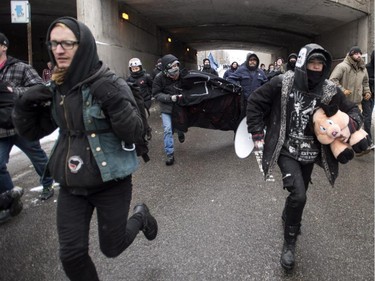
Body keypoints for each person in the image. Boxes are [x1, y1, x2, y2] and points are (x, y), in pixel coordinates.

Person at [12, 17, 158, 281]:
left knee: (111, 247)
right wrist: (23, 106)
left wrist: (113, 101)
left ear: (84, 46)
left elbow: (136, 132)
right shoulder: (57, 87)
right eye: (54, 43)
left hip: (110, 182)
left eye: (67, 43)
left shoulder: (110, 83)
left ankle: (141, 216)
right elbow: (33, 133)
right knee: (71, 255)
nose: (59, 49)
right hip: (71, 183)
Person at [246, 43, 365, 271]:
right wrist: (256, 130)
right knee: (299, 195)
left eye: (320, 64)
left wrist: (348, 126)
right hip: (286, 149)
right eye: (312, 63)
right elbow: (255, 102)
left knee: (299, 194)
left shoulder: (330, 90)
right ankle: (289, 242)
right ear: (302, 63)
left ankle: (287, 215)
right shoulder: (282, 83)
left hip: (311, 152)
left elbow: (353, 111)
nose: (316, 68)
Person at [0, 32, 54, 204]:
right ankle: (10, 194)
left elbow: (39, 88)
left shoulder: (20, 67)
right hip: (1, 128)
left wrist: (13, 91)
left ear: (4, 47)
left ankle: (47, 184)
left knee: (38, 158)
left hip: (22, 125)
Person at [152, 54, 186, 165]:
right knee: (167, 130)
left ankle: (180, 131)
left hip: (179, 106)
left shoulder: (182, 75)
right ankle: (170, 153)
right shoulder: (159, 78)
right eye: (173, 66)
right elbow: (156, 94)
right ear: (167, 67)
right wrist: (169, 98)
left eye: (177, 65)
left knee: (180, 124)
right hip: (166, 107)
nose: (176, 68)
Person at [329, 46, 371, 111]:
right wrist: (342, 90)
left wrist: (367, 92)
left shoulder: (363, 69)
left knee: (357, 120)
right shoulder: (342, 66)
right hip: (342, 103)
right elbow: (332, 80)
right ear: (350, 55)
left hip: (357, 104)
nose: (359, 55)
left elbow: (365, 82)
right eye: (356, 54)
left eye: (360, 54)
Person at [126, 57, 153, 140]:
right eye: (133, 69)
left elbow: (153, 86)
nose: (135, 70)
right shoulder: (129, 79)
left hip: (145, 101)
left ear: (140, 67)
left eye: (137, 68)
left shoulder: (146, 77)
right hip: (135, 101)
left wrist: (151, 95)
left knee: (143, 116)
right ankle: (146, 130)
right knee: (138, 118)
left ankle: (145, 132)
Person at [362, 50, 375, 149]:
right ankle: (368, 141)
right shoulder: (367, 67)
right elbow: (363, 80)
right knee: (367, 118)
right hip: (366, 96)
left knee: (366, 117)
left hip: (373, 96)